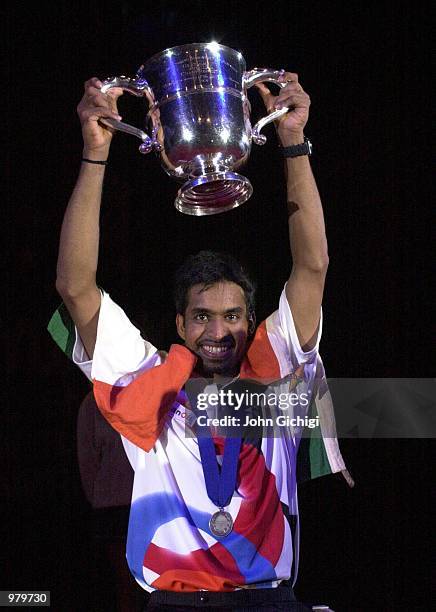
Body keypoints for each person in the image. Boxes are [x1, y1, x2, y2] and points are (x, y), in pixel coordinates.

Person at [48, 72, 353, 611]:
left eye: (233, 316)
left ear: (252, 319)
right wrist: (95, 153)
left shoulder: (275, 376)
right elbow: (75, 287)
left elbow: (314, 265)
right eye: (203, 317)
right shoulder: (149, 387)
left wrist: (292, 141)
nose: (219, 332)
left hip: (269, 603)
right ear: (181, 326)